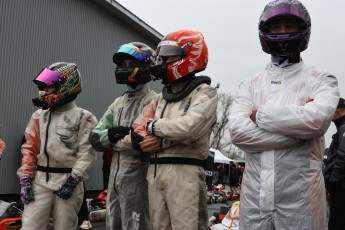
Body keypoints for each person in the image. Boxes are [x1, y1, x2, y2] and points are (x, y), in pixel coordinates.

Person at [229, 1, 340, 229]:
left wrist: (260, 116)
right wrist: (297, 133)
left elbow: (316, 121)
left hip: (302, 201)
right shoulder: (249, 84)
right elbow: (238, 132)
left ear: (303, 30)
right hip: (254, 199)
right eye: (276, 27)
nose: (282, 32)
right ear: (265, 32)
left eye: (289, 26)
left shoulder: (322, 79)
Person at [131, 29, 218, 230]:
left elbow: (190, 128)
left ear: (190, 56)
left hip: (185, 172)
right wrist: (161, 137)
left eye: (169, 56)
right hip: (154, 170)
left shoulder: (204, 93)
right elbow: (138, 131)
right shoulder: (161, 98)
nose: (163, 61)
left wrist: (154, 127)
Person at [17, 62, 98, 229]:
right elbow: (30, 148)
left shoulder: (84, 117)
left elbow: (87, 153)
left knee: (64, 226)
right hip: (39, 180)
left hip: (68, 180)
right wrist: (25, 178)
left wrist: (74, 179)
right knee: (30, 225)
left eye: (49, 88)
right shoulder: (39, 116)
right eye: (44, 88)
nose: (44, 92)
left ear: (66, 86)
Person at [88, 42, 157, 230]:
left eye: (129, 64)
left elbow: (139, 141)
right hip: (114, 179)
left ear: (144, 67)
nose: (123, 68)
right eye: (122, 64)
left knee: (135, 226)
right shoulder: (118, 103)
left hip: (138, 178)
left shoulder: (154, 100)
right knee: (113, 225)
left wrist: (112, 139)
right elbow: (95, 137)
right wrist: (112, 134)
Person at [324, 97, 345, 230]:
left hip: (341, 189)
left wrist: (332, 184)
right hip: (339, 188)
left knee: (337, 224)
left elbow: (343, 158)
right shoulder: (340, 129)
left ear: (339, 112)